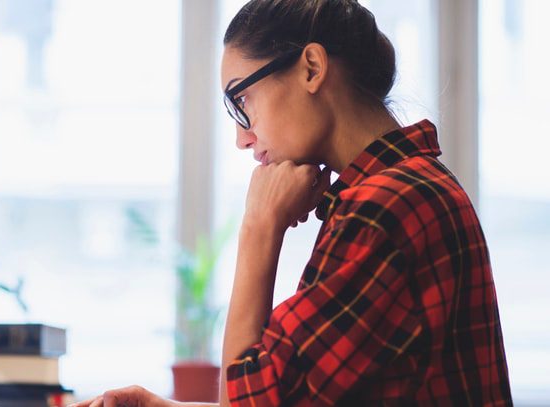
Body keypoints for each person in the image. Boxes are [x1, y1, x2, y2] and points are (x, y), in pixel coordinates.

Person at [71, 0, 512, 405]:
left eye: (241, 101)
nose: (242, 138)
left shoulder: (383, 211)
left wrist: (260, 227)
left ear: (311, 68)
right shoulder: (405, 187)